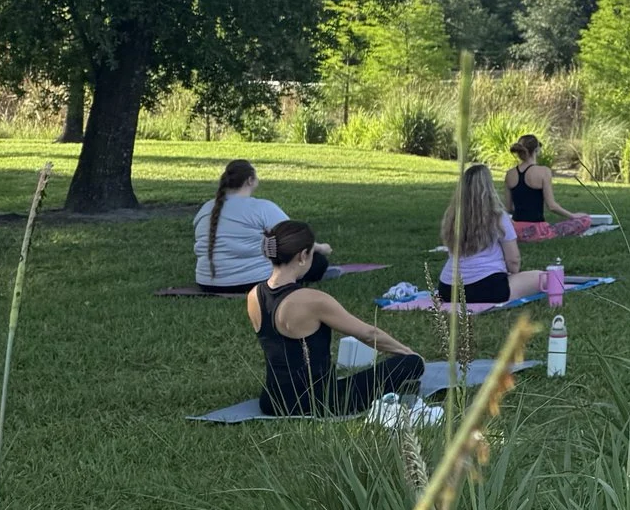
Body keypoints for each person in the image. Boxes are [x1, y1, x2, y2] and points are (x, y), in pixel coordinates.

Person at [248, 221, 424, 416]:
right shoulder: (313, 300)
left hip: (272, 401)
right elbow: (368, 334)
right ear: (303, 256)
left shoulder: (254, 295)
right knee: (411, 364)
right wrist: (407, 353)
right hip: (320, 402)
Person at [437, 163, 546, 304]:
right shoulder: (498, 216)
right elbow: (514, 261)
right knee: (542, 277)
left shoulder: (452, 216)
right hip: (487, 287)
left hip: (448, 289)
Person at [193, 159, 292, 293]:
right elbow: (294, 237)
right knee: (315, 262)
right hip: (252, 281)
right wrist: (320, 248)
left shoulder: (206, 208)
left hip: (205, 283)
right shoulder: (262, 207)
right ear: (250, 180)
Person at [505, 135, 592, 239]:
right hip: (538, 231)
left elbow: (508, 208)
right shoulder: (544, 171)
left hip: (515, 231)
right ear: (537, 150)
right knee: (585, 219)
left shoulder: (509, 174)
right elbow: (552, 206)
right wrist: (572, 215)